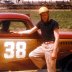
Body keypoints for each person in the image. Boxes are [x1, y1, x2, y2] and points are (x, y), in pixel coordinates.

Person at [16, 6, 59, 72]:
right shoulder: (40, 23)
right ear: (40, 16)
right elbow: (30, 31)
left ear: (48, 14)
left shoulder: (54, 23)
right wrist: (18, 32)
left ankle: (48, 67)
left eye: (45, 14)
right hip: (44, 46)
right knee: (32, 55)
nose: (44, 16)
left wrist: (54, 52)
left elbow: (57, 38)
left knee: (51, 70)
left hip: (51, 46)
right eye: (42, 15)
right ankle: (45, 67)